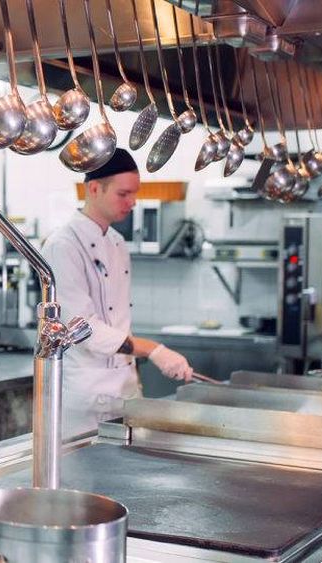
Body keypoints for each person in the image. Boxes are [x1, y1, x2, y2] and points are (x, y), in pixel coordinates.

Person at [41, 149, 194, 438]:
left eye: (135, 194)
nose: (133, 202)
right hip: (85, 395)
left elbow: (117, 319)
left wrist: (133, 373)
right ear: (94, 188)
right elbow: (82, 328)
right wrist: (153, 350)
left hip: (124, 388)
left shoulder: (117, 242)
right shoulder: (63, 246)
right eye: (124, 194)